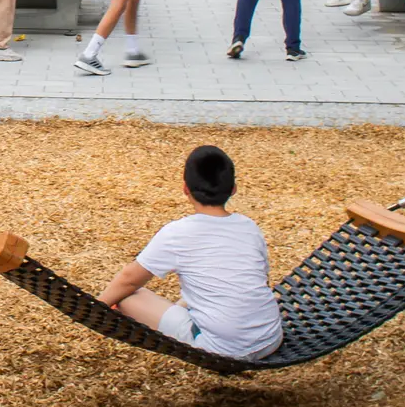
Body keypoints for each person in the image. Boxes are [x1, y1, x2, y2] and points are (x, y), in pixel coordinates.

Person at [95, 146, 283, 362]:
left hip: (223, 349)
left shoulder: (178, 233)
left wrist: (95, 309)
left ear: (186, 189)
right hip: (270, 338)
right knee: (197, 294)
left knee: (129, 297)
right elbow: (260, 278)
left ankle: (185, 326)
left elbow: (128, 280)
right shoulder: (249, 227)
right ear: (233, 189)